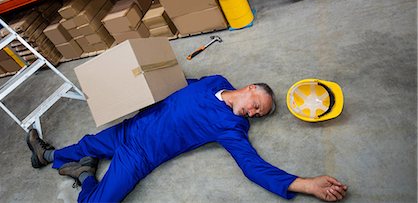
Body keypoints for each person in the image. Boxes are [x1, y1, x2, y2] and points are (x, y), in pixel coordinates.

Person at [27, 75, 348, 202]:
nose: (252, 113)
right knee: (85, 144)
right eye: (256, 106)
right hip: (129, 127)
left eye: (257, 115)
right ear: (251, 88)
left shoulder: (232, 128)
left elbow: (252, 166)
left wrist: (305, 184)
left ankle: (84, 174)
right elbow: (174, 81)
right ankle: (48, 156)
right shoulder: (216, 80)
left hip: (139, 156)